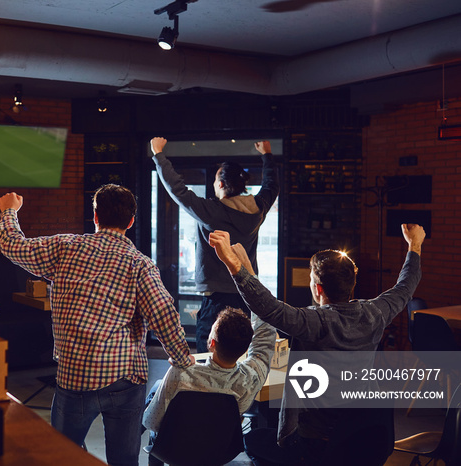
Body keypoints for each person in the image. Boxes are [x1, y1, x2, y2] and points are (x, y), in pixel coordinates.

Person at [0, 184, 195, 466]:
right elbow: (162, 314)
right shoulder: (139, 264)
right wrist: (182, 359)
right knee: (124, 459)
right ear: (131, 221)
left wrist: (9, 211)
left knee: (63, 457)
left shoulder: (64, 248)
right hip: (124, 378)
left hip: (74, 376)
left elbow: (12, 246)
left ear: (95, 217)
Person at [208, 223, 425, 465]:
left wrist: (234, 264)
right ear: (351, 284)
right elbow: (406, 286)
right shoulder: (375, 314)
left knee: (252, 440)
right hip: (362, 439)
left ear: (317, 288)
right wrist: (414, 245)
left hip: (315, 445)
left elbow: (267, 308)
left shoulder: (314, 321)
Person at [149, 137, 279, 352]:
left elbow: (178, 190)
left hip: (216, 298)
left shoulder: (212, 211)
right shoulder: (258, 208)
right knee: (240, 353)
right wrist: (267, 155)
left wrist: (158, 154)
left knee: (209, 354)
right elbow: (271, 185)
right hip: (248, 293)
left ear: (220, 184)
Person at [143, 304, 276, 434]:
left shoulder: (182, 374)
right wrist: (257, 298)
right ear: (245, 349)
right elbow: (263, 345)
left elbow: (151, 423)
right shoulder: (250, 379)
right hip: (218, 451)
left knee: (157, 388)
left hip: (173, 451)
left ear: (212, 343)